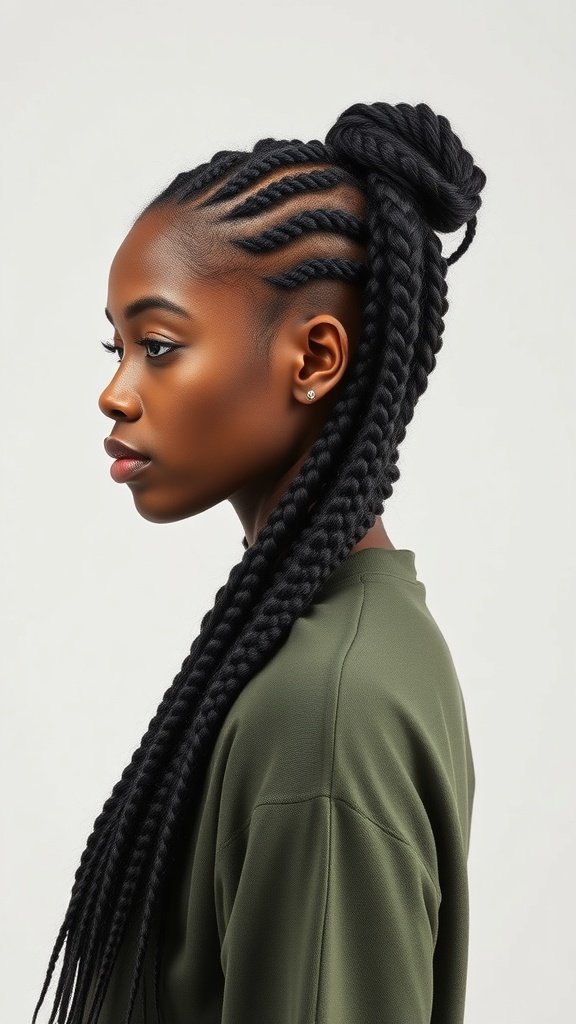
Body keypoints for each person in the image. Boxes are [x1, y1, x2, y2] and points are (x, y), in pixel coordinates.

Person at [32, 100, 485, 1024]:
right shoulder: (352, 638)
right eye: (116, 347)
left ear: (313, 359)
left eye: (159, 347)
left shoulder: (325, 710)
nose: (114, 392)